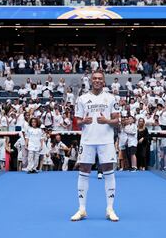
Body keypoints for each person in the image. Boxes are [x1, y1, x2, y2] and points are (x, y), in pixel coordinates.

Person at [71, 71, 120, 222]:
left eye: (100, 78)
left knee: (108, 171)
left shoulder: (111, 98)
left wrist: (106, 121)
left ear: (104, 81)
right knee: (83, 170)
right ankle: (81, 209)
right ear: (91, 80)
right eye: (95, 78)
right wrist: (83, 122)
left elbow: (117, 120)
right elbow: (77, 121)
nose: (97, 80)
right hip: (87, 141)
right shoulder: (82, 98)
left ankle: (110, 208)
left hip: (106, 141)